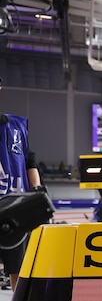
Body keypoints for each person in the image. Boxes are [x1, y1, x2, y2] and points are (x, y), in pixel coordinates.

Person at [0, 111, 44, 290]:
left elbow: (29, 162)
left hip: (14, 209)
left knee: (19, 271)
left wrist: (36, 192)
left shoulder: (16, 126)